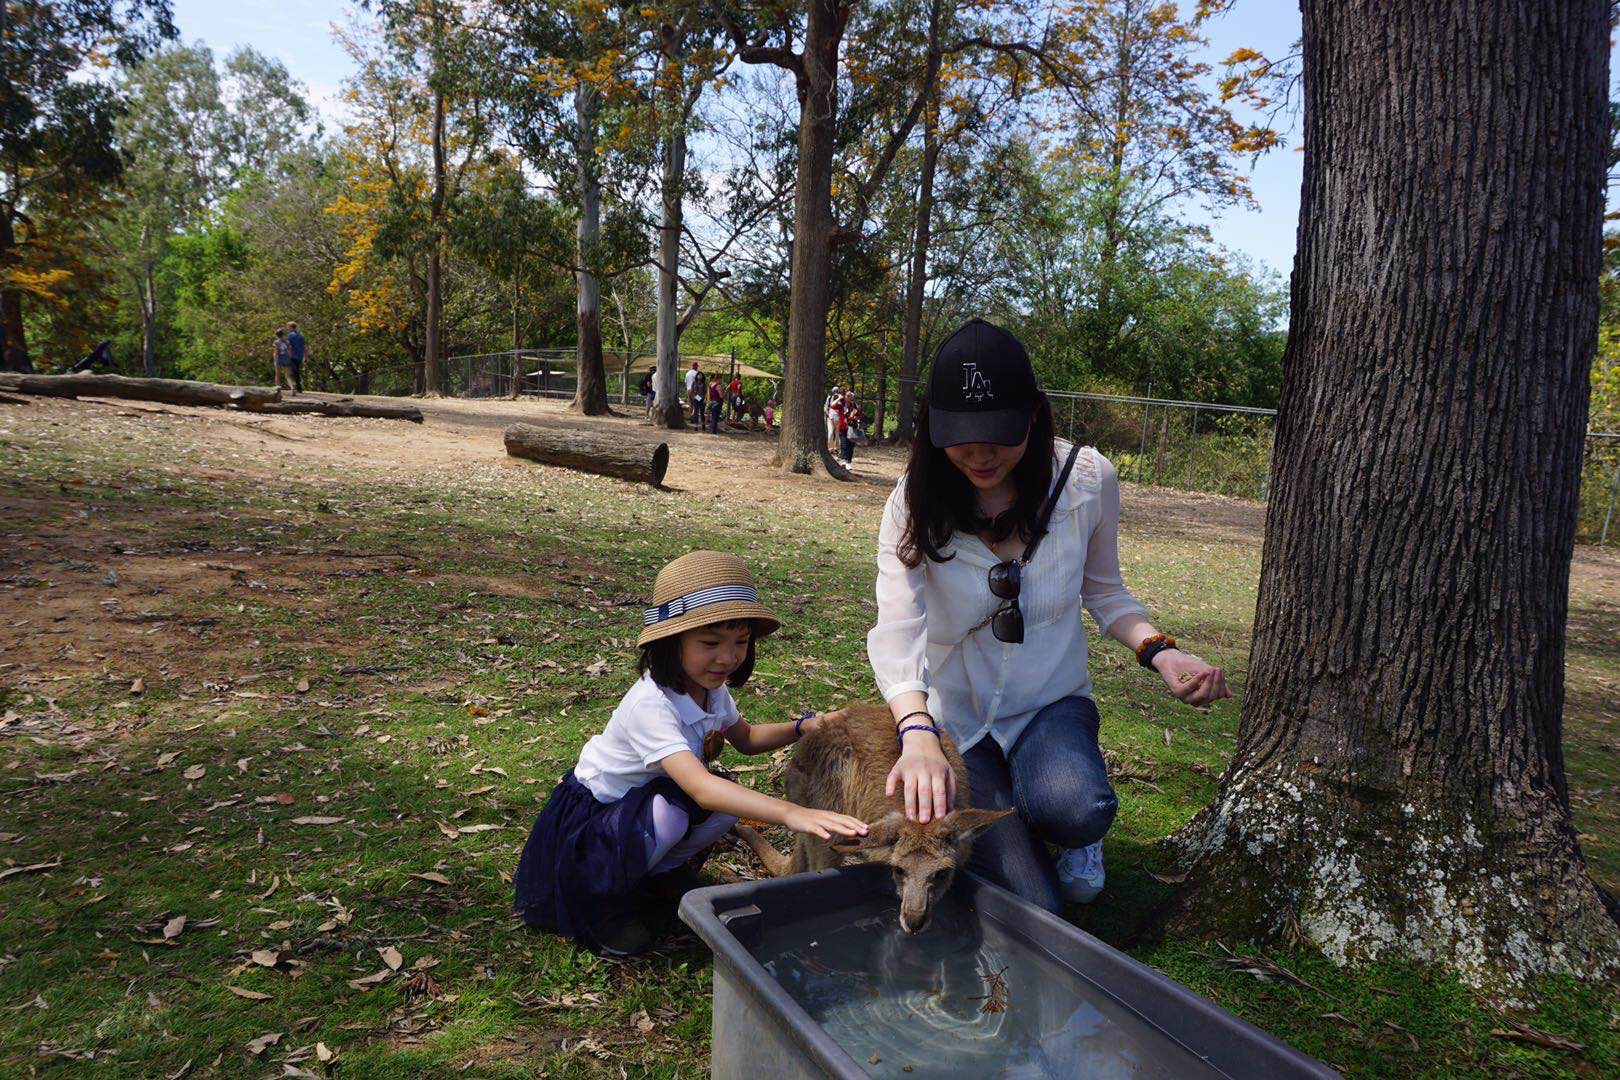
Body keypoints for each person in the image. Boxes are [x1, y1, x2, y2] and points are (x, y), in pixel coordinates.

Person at [868, 318, 1231, 914]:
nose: (980, 455)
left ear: (1034, 416)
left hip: (1049, 701)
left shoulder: (1087, 481)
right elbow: (898, 628)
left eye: (999, 435)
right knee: (1044, 909)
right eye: (961, 436)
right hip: (954, 718)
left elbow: (1105, 592)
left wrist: (1160, 650)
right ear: (931, 425)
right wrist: (918, 733)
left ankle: (1069, 832)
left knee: (1075, 807)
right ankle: (1011, 816)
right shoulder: (912, 500)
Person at [514, 551, 866, 954]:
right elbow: (700, 787)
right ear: (669, 641)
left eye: (741, 642)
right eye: (711, 642)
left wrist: (803, 726)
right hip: (598, 820)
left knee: (722, 805)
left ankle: (659, 877)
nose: (728, 657)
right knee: (677, 813)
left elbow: (747, 739)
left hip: (654, 800)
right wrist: (792, 812)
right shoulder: (650, 704)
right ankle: (609, 901)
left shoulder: (711, 690)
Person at [284, 322, 306, 394]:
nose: (287, 328)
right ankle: (299, 388)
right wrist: (305, 357)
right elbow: (304, 347)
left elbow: (288, 346)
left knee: (289, 373)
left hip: (292, 356)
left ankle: (294, 388)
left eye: (288, 327)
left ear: (291, 327)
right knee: (296, 372)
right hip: (299, 356)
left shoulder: (290, 336)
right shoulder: (301, 336)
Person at [825, 385, 843, 450]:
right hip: (830, 418)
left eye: (837, 391)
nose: (836, 392)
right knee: (830, 433)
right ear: (832, 392)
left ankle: (836, 448)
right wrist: (828, 415)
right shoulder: (829, 398)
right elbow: (826, 407)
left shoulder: (841, 398)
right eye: (835, 391)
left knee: (837, 434)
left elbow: (843, 408)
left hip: (839, 419)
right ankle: (830, 448)